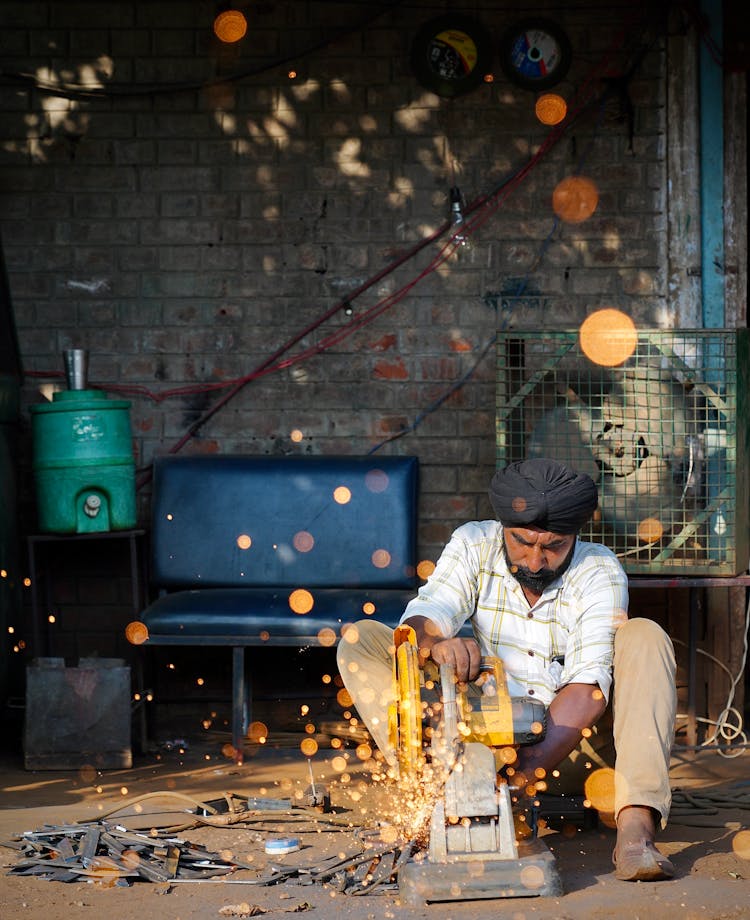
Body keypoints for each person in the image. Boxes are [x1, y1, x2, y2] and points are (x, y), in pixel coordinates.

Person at [337, 457, 677, 882]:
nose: (535, 561)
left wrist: (518, 778)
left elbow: (588, 689)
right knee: (364, 640)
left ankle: (635, 831)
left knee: (643, 636)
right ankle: (429, 796)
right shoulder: (473, 543)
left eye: (552, 546)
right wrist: (436, 643)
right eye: (522, 543)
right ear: (503, 529)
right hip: (478, 750)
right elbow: (425, 615)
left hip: (576, 756)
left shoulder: (598, 569)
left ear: (575, 536)